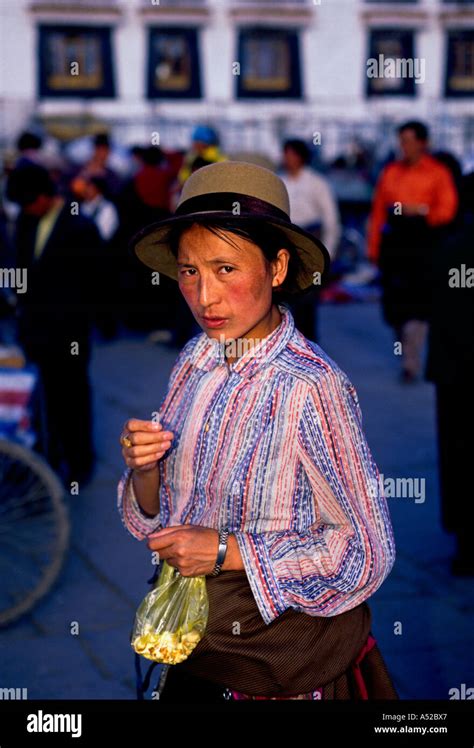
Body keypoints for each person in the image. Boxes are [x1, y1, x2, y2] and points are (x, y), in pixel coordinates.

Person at [117, 161, 397, 701]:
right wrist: (144, 468)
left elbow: (366, 549)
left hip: (280, 663)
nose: (204, 297)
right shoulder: (195, 359)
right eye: (189, 271)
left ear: (276, 268)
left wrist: (225, 550)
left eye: (226, 269)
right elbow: (159, 511)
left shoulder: (311, 386)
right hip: (199, 645)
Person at [6, 163, 101, 486]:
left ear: (46, 195)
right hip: (34, 330)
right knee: (38, 400)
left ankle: (79, 463)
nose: (26, 209)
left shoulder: (80, 227)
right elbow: (20, 267)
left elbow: (94, 285)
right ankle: (45, 460)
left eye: (29, 201)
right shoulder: (24, 221)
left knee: (71, 399)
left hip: (68, 334)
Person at [367, 121, 458, 383]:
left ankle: (411, 361)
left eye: (408, 141)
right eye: (401, 141)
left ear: (422, 143)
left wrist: (421, 211)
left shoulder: (437, 173)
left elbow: (447, 209)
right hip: (395, 244)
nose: (404, 147)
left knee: (418, 306)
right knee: (394, 307)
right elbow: (378, 213)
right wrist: (373, 248)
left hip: (423, 242)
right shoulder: (391, 172)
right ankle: (406, 350)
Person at [424, 171, 474, 576]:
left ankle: (464, 542)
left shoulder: (447, 248)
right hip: (458, 366)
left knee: (457, 455)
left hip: (453, 371)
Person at [279, 138, 341, 343]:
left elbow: (331, 219)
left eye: (291, 154)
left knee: (307, 297)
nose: (288, 159)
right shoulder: (280, 182)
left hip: (310, 240)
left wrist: (328, 252)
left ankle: (309, 343)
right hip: (286, 239)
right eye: (285, 154)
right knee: (285, 296)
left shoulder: (317, 183)